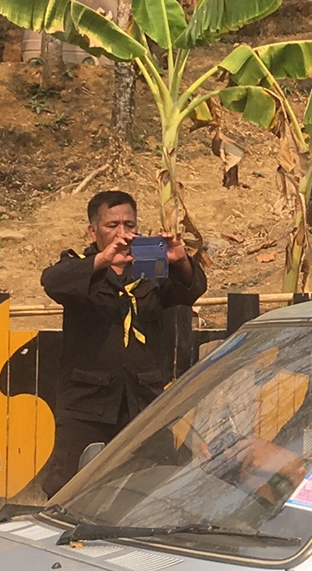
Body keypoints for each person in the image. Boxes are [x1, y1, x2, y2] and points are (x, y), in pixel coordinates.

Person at [40, 189, 209, 491]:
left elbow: (190, 290)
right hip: (87, 403)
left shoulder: (150, 268)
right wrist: (103, 260)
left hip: (141, 400)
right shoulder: (81, 266)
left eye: (129, 224)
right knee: (68, 486)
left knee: (151, 485)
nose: (122, 232)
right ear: (93, 231)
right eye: (112, 225)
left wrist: (180, 260)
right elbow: (53, 281)